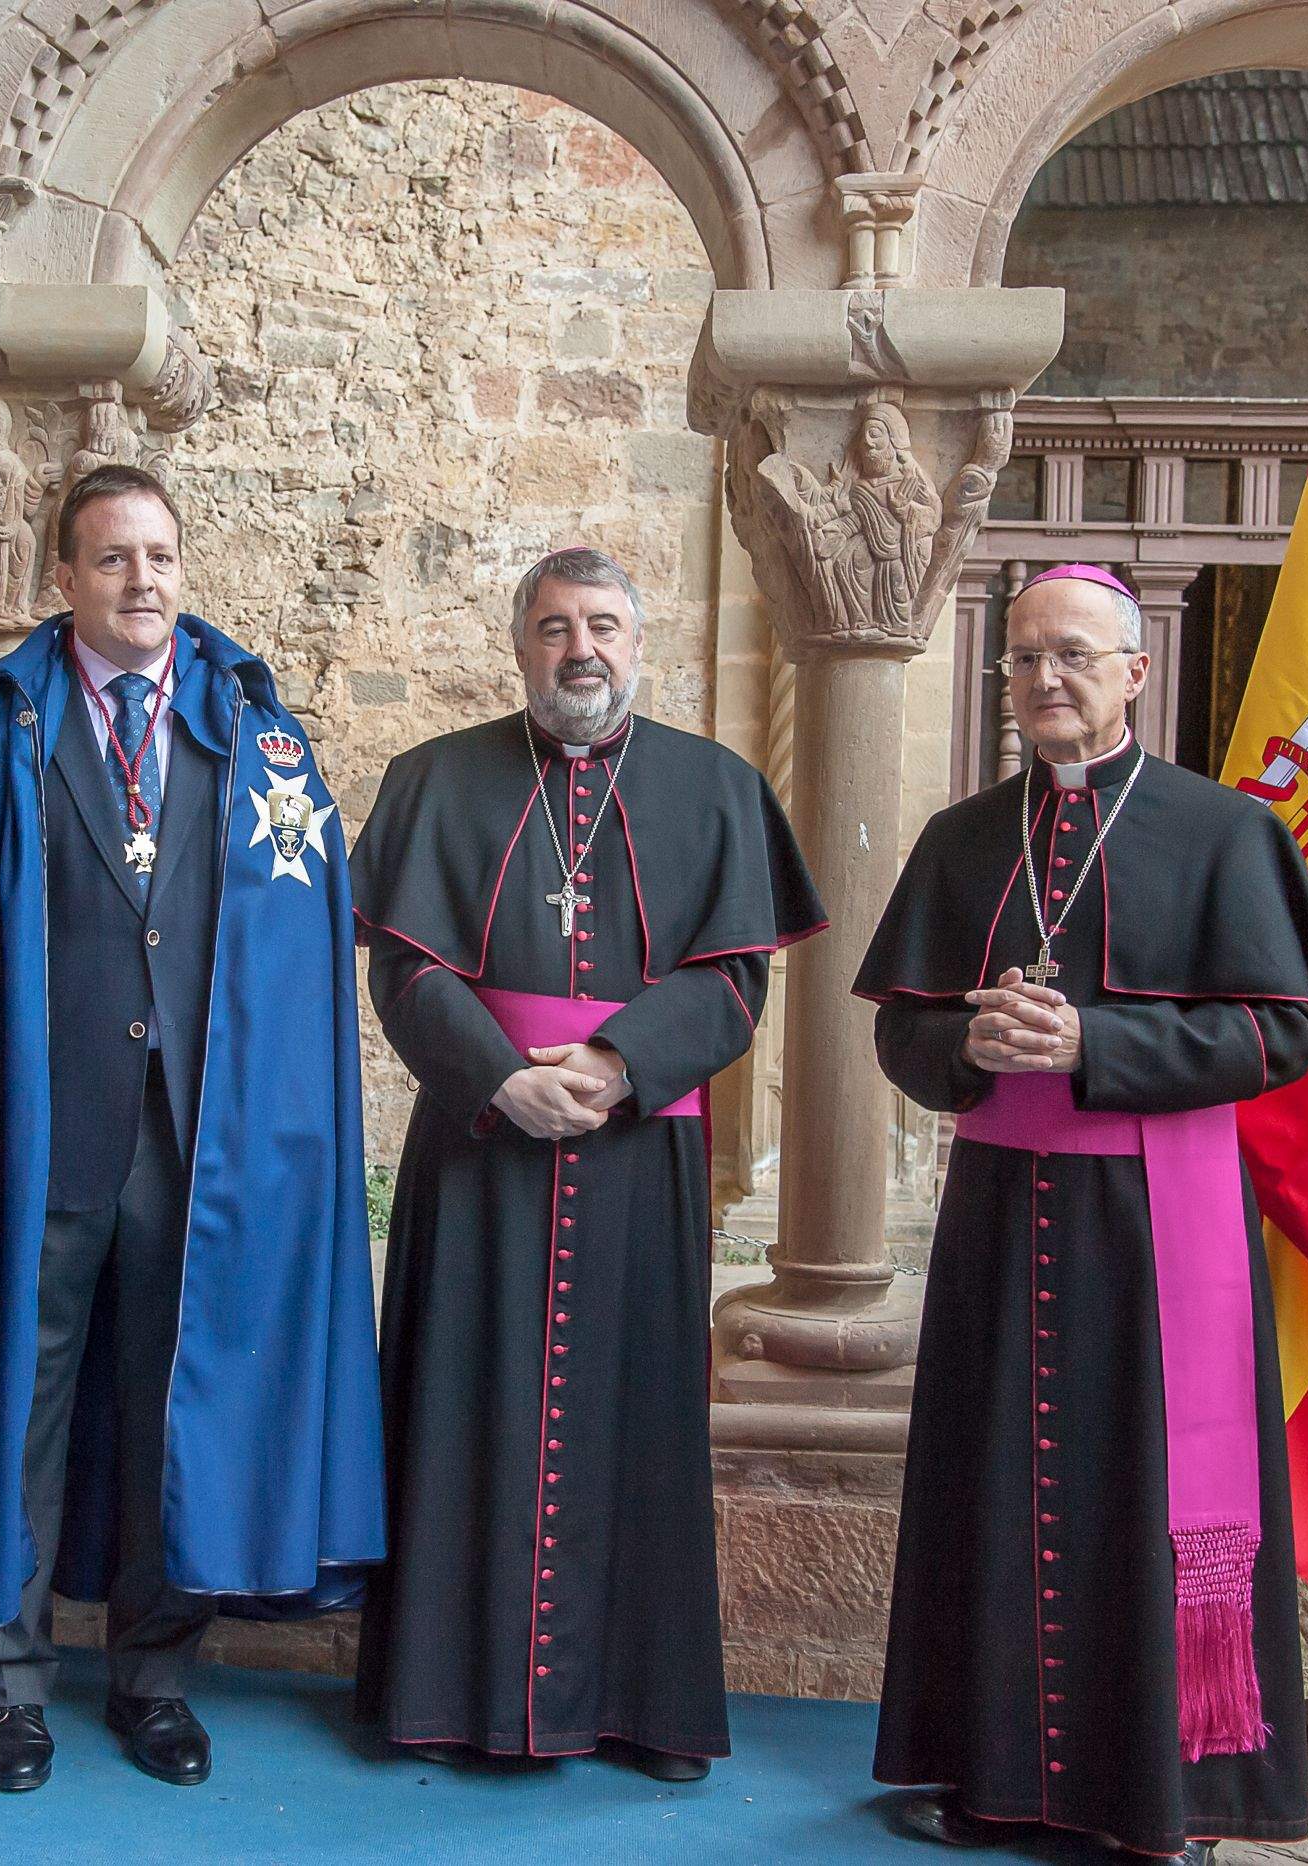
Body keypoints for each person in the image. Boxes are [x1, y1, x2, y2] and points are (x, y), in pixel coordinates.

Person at [0, 463, 382, 1794]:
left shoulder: (253, 732)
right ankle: (10, 1683)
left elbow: (300, 948)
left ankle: (154, 1677)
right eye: (111, 559)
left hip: (197, 1140)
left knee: (178, 1401)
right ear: (63, 579)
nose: (140, 579)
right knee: (19, 1407)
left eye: (158, 556)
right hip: (38, 1130)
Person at [857, 564, 1308, 1863]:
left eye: (1072, 655)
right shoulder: (963, 839)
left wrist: (1097, 1040)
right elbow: (901, 1034)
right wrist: (968, 1041)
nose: (1043, 680)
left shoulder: (1223, 833)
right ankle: (987, 1773)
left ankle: (1162, 1795)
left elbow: (1278, 1029)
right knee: (991, 1478)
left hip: (1154, 1220)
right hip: (997, 1222)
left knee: (1149, 1486)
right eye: (1021, 659)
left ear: (1136, 671)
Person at [347, 545, 821, 1778]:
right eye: (555, 627)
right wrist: (502, 1076)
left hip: (636, 1150)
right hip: (479, 1139)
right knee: (463, 1406)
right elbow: (405, 968)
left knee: (639, 1416)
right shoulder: (436, 779)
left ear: (639, 642)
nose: (581, 650)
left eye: (602, 624)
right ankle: (448, 1697)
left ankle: (640, 1707)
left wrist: (615, 1065)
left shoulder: (715, 789)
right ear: (520, 646)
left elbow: (733, 978)